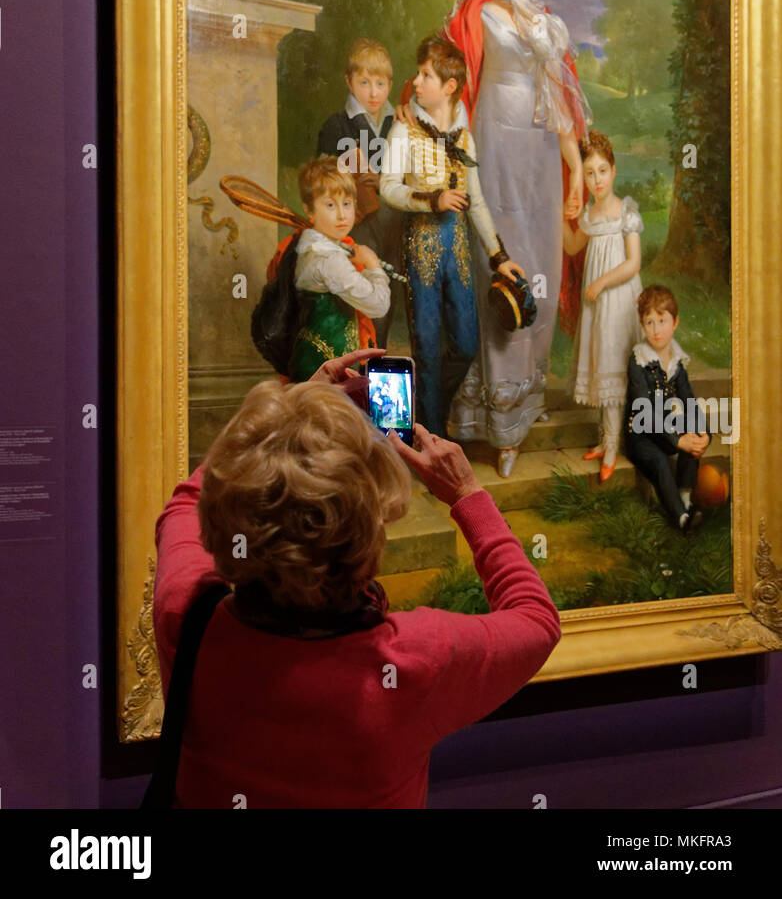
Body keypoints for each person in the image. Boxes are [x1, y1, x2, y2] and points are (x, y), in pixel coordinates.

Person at [153, 348, 562, 809]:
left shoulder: (187, 618)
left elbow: (185, 504)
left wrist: (287, 420)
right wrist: (466, 494)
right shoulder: (412, 663)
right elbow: (536, 621)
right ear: (369, 539)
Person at [416, 0, 591, 476]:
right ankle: (486, 419)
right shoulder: (479, 12)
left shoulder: (552, 27)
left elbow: (563, 110)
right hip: (493, 146)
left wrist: (578, 175)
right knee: (498, 262)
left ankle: (523, 405)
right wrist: (416, 109)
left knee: (538, 264)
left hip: (541, 157)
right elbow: (447, 75)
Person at [380, 35, 525, 436]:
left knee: (464, 344)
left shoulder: (464, 138)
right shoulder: (404, 130)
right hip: (420, 246)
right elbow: (387, 188)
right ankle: (431, 439)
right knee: (426, 346)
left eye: (426, 75)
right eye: (419, 72)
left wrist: (498, 256)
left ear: (448, 87)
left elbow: (475, 203)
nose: (416, 81)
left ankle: (425, 413)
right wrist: (433, 199)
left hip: (457, 250)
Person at [562, 131, 644, 482]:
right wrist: (556, 211)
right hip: (596, 304)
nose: (596, 181)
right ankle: (604, 439)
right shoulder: (590, 216)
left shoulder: (625, 210)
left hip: (620, 298)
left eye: (602, 171)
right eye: (589, 173)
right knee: (600, 359)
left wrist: (600, 282)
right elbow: (570, 246)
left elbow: (633, 263)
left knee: (613, 361)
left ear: (614, 170)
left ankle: (612, 446)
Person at [317, 38, 401, 347]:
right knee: (355, 300)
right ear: (349, 82)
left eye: (380, 83)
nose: (374, 92)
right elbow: (323, 183)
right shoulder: (337, 126)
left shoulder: (399, 125)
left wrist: (381, 180)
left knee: (386, 298)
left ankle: (376, 362)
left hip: (393, 226)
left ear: (389, 84)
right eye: (365, 82)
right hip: (355, 227)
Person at [288, 158, 389, 380]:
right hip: (324, 368)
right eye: (330, 205)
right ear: (309, 210)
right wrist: (373, 266)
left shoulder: (312, 245)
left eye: (347, 203)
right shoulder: (328, 257)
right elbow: (378, 305)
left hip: (315, 360)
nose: (342, 215)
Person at [624, 286, 709, 531]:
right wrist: (676, 441)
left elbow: (688, 399)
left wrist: (701, 434)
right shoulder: (638, 360)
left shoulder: (677, 362)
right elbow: (644, 412)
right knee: (660, 461)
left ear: (675, 323)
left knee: (692, 438)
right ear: (642, 326)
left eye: (662, 321)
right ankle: (680, 519)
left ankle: (686, 503)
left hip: (667, 429)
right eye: (649, 322)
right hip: (641, 434)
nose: (656, 330)